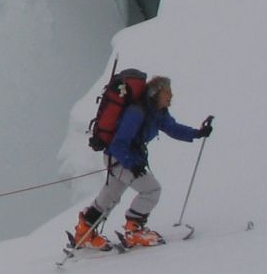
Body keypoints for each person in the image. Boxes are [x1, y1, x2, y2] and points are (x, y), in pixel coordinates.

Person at [71, 76, 212, 249]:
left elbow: (173, 128)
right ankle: (134, 231)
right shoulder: (137, 113)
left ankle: (84, 230)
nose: (171, 96)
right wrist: (132, 163)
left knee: (110, 196)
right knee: (151, 190)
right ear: (156, 93)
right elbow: (119, 143)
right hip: (120, 159)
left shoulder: (157, 112)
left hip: (124, 159)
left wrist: (197, 133)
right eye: (167, 92)